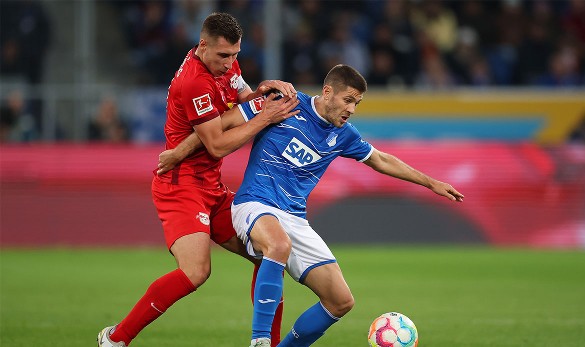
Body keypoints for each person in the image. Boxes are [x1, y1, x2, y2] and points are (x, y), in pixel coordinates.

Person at [160, 64, 464, 347]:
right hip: (254, 203)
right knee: (278, 246)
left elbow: (380, 159)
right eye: (348, 100)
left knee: (341, 301)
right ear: (328, 92)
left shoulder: (344, 135)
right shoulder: (284, 102)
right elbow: (223, 123)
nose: (351, 109)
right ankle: (260, 340)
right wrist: (178, 152)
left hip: (294, 218)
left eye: (357, 103)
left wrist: (430, 182)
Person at [97, 12, 299, 347]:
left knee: (270, 254)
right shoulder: (193, 82)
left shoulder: (224, 63)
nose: (230, 63)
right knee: (196, 271)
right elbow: (217, 144)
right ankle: (115, 339)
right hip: (181, 186)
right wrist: (264, 117)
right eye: (224, 56)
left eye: (235, 55)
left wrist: (261, 96)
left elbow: (241, 100)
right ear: (202, 45)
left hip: (211, 186)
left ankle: (268, 343)